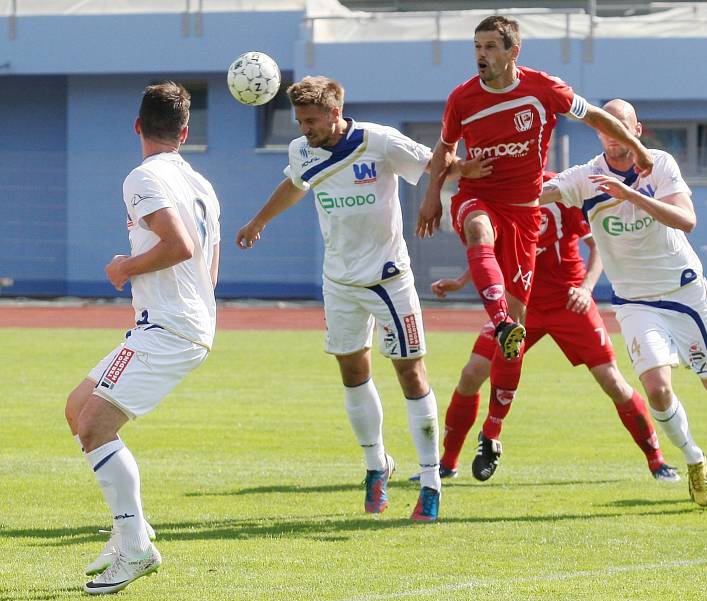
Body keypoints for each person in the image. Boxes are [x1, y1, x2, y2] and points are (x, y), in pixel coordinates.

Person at [236, 76, 488, 522]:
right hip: (339, 282)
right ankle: (376, 466)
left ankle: (430, 480)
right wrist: (259, 221)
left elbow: (433, 164)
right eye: (299, 120)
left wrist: (465, 169)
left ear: (335, 113)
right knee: (352, 370)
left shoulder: (378, 141)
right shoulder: (302, 150)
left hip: (389, 279)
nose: (304, 128)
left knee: (410, 373)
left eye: (311, 120)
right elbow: (295, 184)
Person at [416, 15, 653, 479]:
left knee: (516, 350)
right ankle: (447, 457)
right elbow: (443, 150)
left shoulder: (545, 90)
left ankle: (493, 430)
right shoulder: (462, 97)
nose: (480, 54)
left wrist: (638, 151)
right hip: (480, 199)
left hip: (525, 217)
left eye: (489, 46)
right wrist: (432, 199)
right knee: (480, 237)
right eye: (476, 46)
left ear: (512, 51)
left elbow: (597, 117)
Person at [543, 98, 707, 511]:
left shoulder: (658, 164)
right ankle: (694, 459)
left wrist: (630, 195)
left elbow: (687, 220)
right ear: (598, 131)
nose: (613, 134)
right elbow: (538, 194)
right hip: (635, 302)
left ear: (636, 130)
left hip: (684, 292)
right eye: (605, 127)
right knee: (656, 390)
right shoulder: (586, 177)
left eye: (622, 126)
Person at [64, 81, 222, 594]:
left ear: (137, 126)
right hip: (172, 322)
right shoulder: (200, 184)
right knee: (77, 407)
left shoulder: (142, 177)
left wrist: (124, 268)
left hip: (172, 327)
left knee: (93, 426)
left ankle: (136, 550)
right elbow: (206, 265)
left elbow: (178, 245)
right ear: (185, 132)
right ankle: (129, 528)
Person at [415, 201, 679, 483]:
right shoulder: (502, 196)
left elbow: (597, 245)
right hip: (519, 303)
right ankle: (447, 464)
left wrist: (586, 288)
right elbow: (492, 252)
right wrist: (460, 281)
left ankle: (657, 461)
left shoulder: (562, 192)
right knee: (471, 374)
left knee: (612, 381)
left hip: (569, 303)